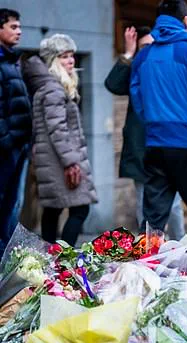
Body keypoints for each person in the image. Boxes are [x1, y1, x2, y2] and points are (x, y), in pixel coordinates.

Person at [130, 0, 187, 243]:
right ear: (186, 20)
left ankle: (146, 263)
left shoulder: (144, 56)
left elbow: (137, 97)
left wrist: (153, 122)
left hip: (155, 142)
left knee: (152, 220)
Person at [105, 25, 185, 240]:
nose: (149, 50)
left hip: (169, 144)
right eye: (144, 47)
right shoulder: (136, 70)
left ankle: (181, 247)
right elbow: (113, 84)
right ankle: (148, 249)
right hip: (141, 148)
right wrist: (128, 54)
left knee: (174, 205)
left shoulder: (166, 69)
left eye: (153, 45)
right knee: (144, 203)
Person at [22, 34, 97, 245]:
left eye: (71, 55)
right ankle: (64, 256)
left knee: (53, 210)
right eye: (64, 56)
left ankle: (50, 255)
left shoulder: (51, 88)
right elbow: (58, 129)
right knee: (80, 209)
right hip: (60, 162)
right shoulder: (54, 90)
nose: (71, 60)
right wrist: (71, 162)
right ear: (53, 61)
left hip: (54, 160)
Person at [0, 8, 31, 257]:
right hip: (7, 148)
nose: (19, 31)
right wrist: (7, 140)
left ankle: (7, 257)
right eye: (13, 27)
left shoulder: (11, 60)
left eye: (19, 26)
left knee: (11, 206)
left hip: (18, 146)